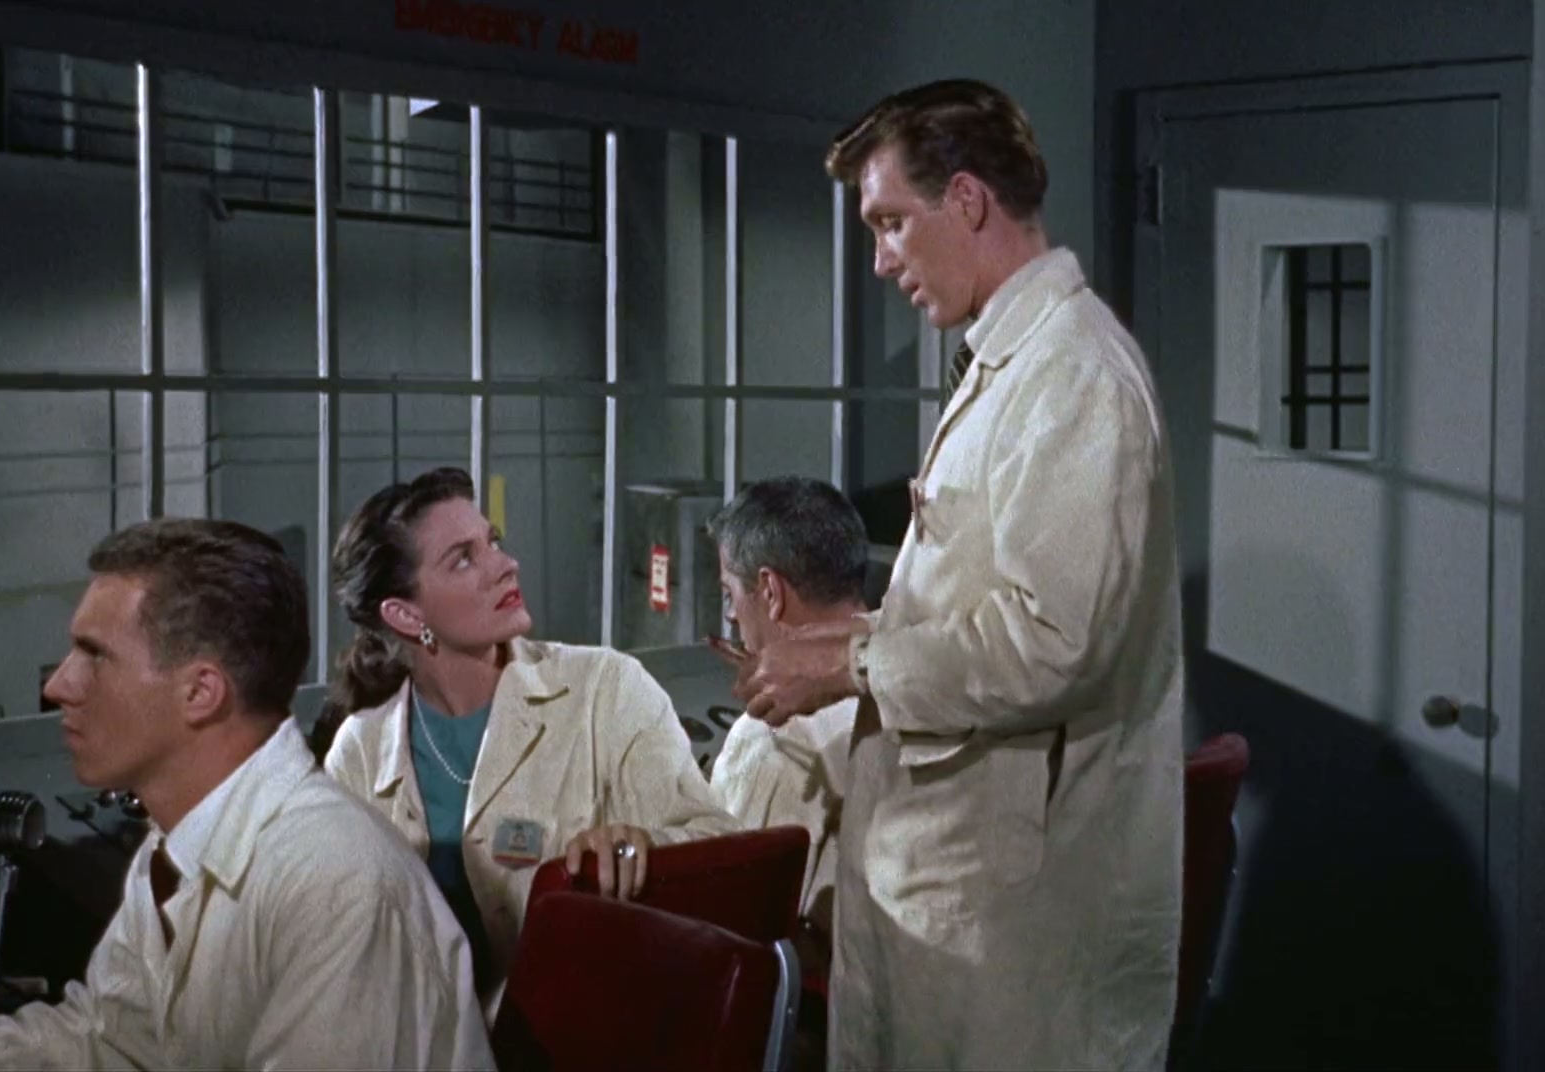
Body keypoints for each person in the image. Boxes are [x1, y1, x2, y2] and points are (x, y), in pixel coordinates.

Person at [728, 79, 1185, 1069]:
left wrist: (852, 662)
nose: (881, 259)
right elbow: (983, 601)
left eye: (891, 222)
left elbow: (1052, 641)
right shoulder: (1013, 363)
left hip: (1013, 924)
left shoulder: (1074, 375)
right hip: (961, 897)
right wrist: (847, 643)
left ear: (968, 200)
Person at [0, 519, 494, 1072]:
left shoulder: (334, 885)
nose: (58, 686)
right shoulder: (175, 853)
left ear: (200, 692)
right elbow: (103, 1038)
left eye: (95, 656)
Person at [318, 467, 737, 1008]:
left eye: (492, 542)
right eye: (463, 558)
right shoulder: (359, 752)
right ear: (404, 614)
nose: (506, 564)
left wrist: (643, 846)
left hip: (584, 1030)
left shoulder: (603, 688)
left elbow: (719, 843)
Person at [704, 476, 867, 951]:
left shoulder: (775, 735)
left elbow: (726, 916)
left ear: (770, 591)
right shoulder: (920, 689)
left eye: (730, 596)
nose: (731, 617)